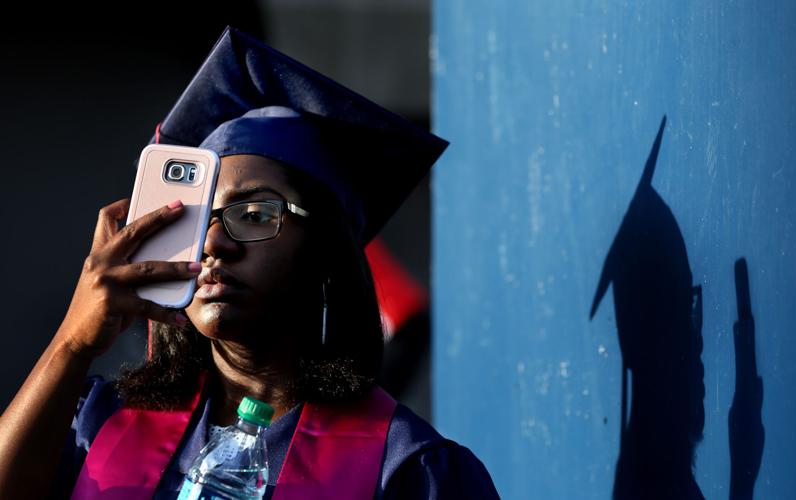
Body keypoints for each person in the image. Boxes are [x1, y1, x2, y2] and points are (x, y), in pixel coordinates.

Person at [0, 26, 499, 499]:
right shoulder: (95, 424)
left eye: (256, 213)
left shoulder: (410, 470)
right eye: (198, 221)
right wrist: (72, 343)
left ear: (326, 250)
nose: (214, 242)